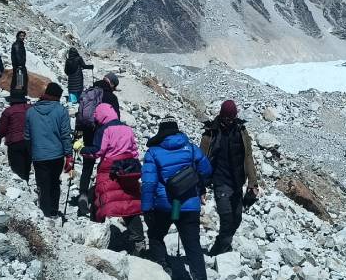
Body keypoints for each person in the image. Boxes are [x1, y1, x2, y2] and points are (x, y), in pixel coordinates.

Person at [143, 117, 212, 279]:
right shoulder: (191, 148)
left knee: (155, 235)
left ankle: (163, 269)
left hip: (164, 205)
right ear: (176, 129)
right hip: (189, 204)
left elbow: (148, 183)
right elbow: (207, 170)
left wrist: (146, 208)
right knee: (193, 245)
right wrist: (198, 186)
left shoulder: (153, 151)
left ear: (161, 131)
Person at [81, 103, 145, 253]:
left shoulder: (104, 129)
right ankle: (139, 240)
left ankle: (96, 235)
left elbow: (98, 151)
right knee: (130, 203)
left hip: (109, 169)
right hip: (128, 168)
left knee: (100, 200)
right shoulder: (127, 128)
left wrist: (82, 149)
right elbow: (135, 151)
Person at [199, 99, 259, 256]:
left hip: (237, 182)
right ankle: (218, 251)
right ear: (221, 115)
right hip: (220, 182)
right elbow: (200, 160)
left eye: (231, 118)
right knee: (226, 217)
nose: (229, 122)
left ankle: (223, 244)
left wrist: (253, 182)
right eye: (226, 118)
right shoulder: (211, 133)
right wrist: (200, 185)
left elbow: (248, 157)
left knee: (237, 218)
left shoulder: (241, 131)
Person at [24, 82, 75, 219]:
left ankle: (44, 212)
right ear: (56, 96)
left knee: (42, 184)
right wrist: (69, 156)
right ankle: (53, 211)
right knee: (54, 183)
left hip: (38, 155)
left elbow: (27, 137)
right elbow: (65, 135)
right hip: (56, 155)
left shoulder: (31, 112)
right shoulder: (61, 110)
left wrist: (31, 153)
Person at [75, 72, 121, 216]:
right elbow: (116, 119)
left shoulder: (89, 92)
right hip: (105, 135)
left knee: (87, 166)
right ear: (112, 84)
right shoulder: (111, 97)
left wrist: (78, 135)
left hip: (89, 133)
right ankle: (100, 199)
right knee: (104, 167)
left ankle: (83, 195)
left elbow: (81, 115)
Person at [0, 90, 32, 182]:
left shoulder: (8, 111)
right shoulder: (32, 109)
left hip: (15, 142)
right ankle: (26, 182)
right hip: (31, 142)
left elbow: (1, 130)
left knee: (17, 167)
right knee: (27, 163)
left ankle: (22, 186)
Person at [10, 31, 28, 95]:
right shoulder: (17, 44)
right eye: (21, 36)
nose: (22, 37)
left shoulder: (20, 44)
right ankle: (18, 95)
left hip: (18, 66)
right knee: (20, 81)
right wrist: (20, 65)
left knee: (17, 80)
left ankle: (16, 94)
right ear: (17, 36)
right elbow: (17, 55)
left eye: (23, 36)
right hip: (19, 66)